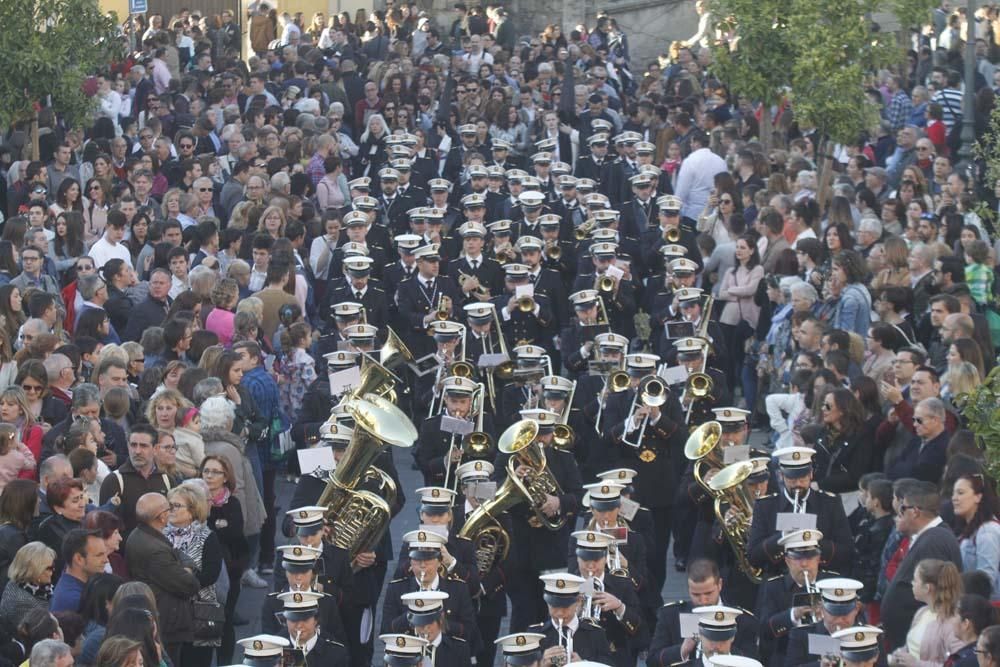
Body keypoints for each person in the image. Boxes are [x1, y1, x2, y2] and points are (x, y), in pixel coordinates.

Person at [881, 481, 963, 650]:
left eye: (903, 508)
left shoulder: (935, 540)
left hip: (923, 647)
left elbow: (937, 594)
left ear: (915, 511)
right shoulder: (931, 537)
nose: (900, 513)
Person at [123, 492, 201, 666]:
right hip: (167, 619)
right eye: (169, 508)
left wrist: (183, 563)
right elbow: (189, 584)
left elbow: (178, 554)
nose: (171, 511)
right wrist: (187, 568)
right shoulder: (154, 549)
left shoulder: (142, 535)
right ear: (161, 517)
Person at [163, 482, 223, 666]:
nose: (171, 509)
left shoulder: (207, 536)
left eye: (177, 505)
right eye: (169, 505)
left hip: (199, 612)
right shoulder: (160, 534)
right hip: (168, 610)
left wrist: (181, 583)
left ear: (192, 511)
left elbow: (211, 574)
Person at [889, 559, 964, 667]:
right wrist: (897, 657)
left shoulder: (952, 622)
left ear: (927, 588)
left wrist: (916, 664)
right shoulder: (922, 612)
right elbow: (909, 648)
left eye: (915, 580)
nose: (912, 583)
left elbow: (960, 663)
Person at [951, 473, 1000, 598]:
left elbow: (985, 579)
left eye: (960, 493)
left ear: (978, 497)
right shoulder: (970, 529)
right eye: (954, 493)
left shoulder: (987, 531)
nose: (954, 498)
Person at [50, 528, 108, 612]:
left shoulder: (78, 586)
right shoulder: (73, 600)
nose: (106, 560)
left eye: (105, 554)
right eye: (99, 555)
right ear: (79, 559)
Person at [0, 541, 56, 627]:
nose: (52, 572)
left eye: (53, 566)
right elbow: (39, 633)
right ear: (33, 571)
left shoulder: (21, 583)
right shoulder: (22, 603)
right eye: (49, 568)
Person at [0, 479, 38, 586]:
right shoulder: (14, 536)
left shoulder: (7, 530)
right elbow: (27, 572)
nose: (39, 501)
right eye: (36, 497)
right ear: (26, 502)